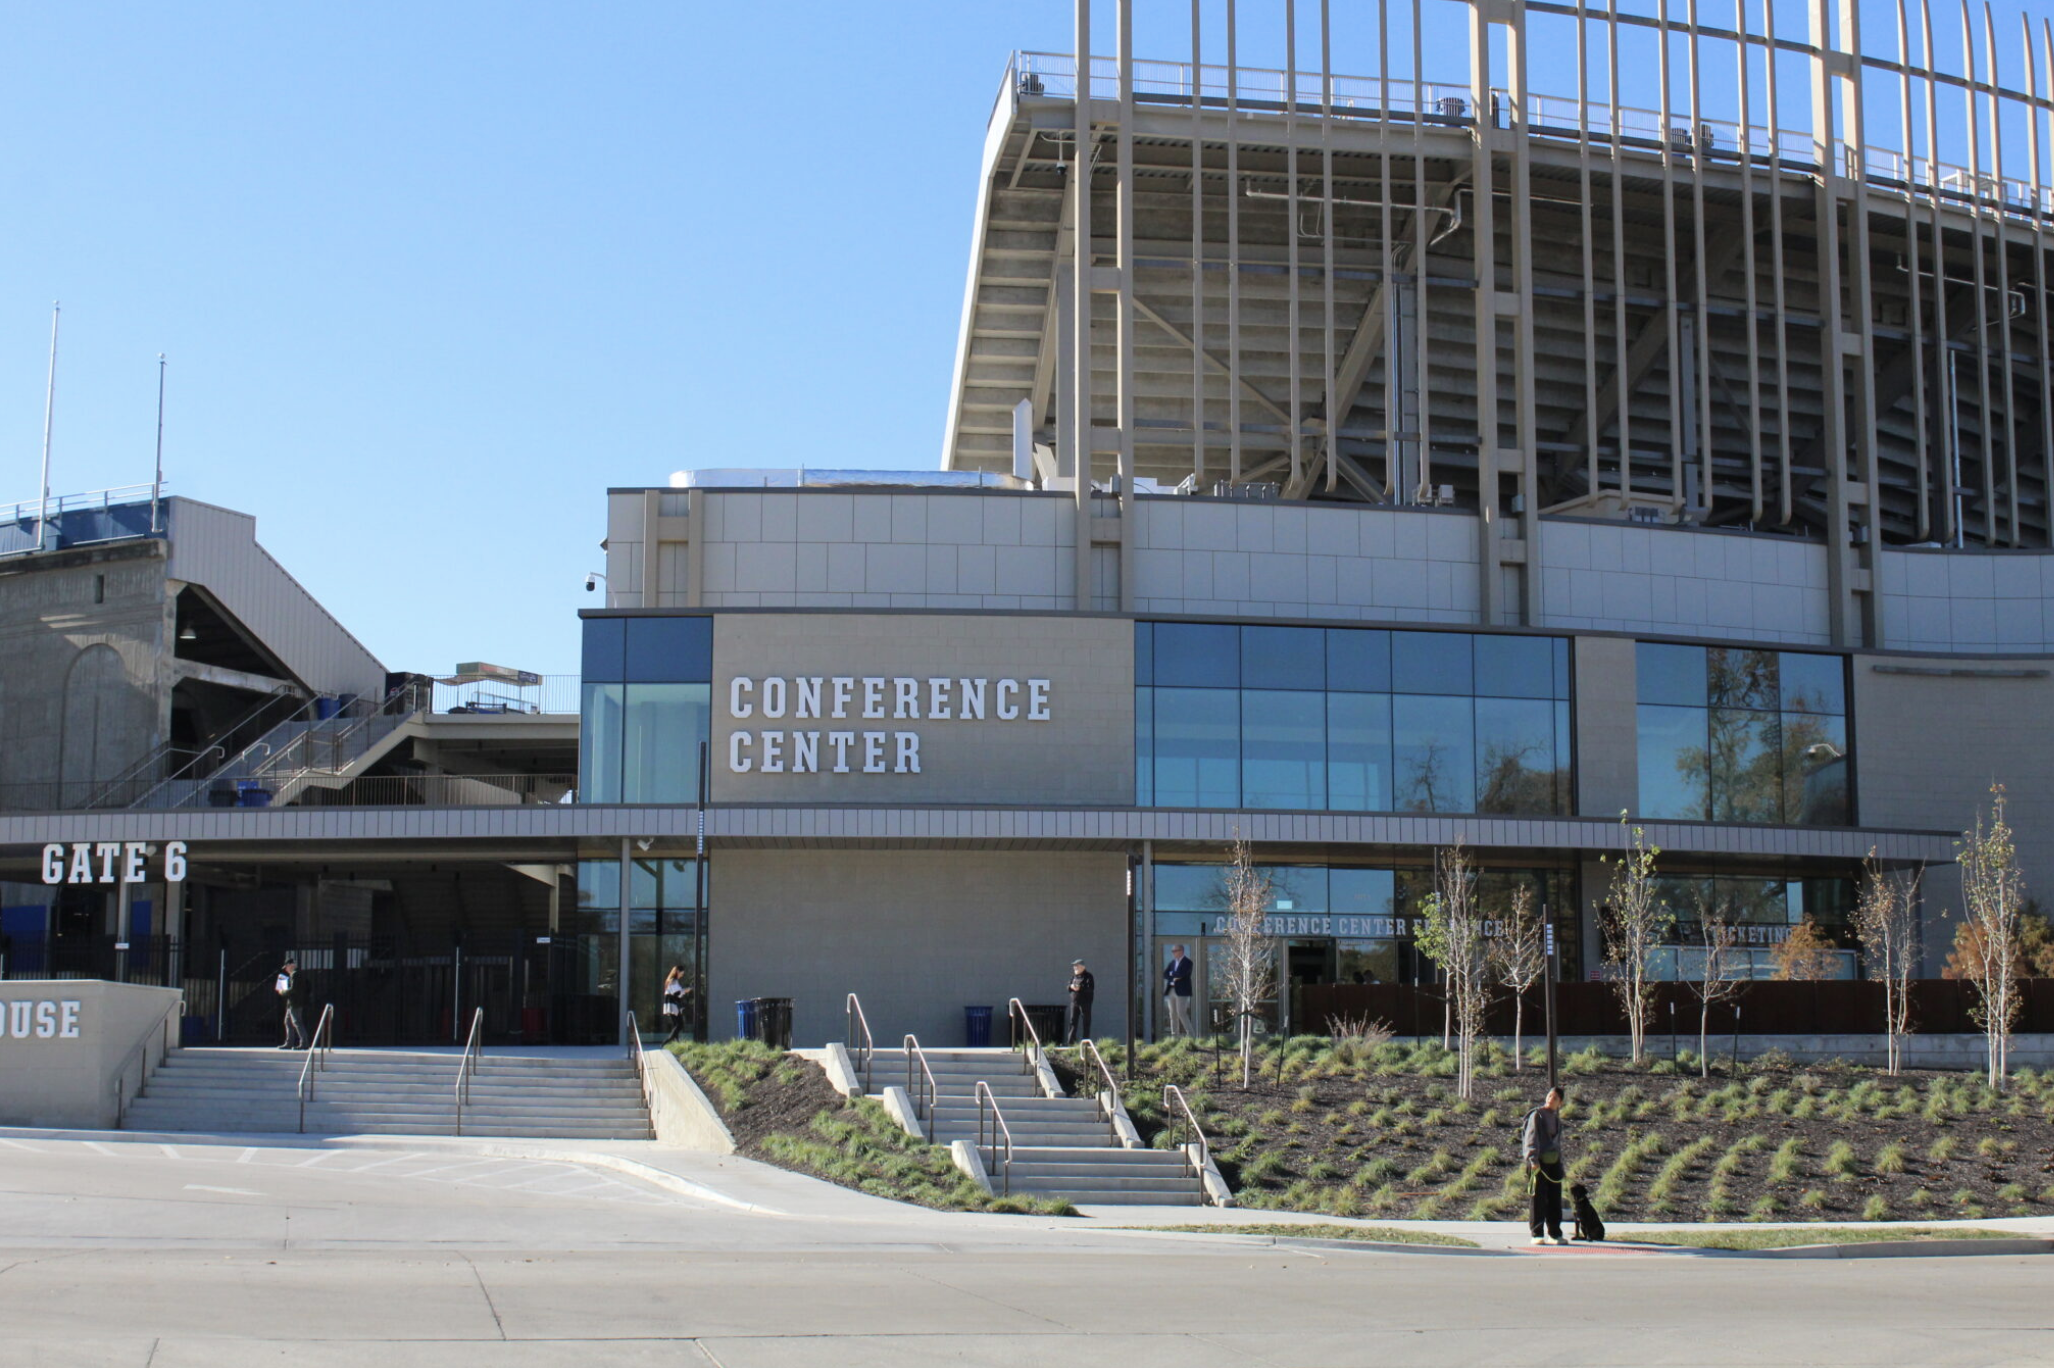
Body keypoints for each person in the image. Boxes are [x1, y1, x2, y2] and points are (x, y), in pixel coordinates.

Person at [1522, 1086, 1567, 1246]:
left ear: (1560, 1103)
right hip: (1538, 1163)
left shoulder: (1556, 1119)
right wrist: (1533, 1160)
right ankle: (1537, 1233)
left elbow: (1557, 1144)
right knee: (1538, 1198)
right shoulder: (1537, 1115)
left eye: (1555, 1098)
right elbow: (1530, 1139)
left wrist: (1560, 1165)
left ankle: (1554, 1233)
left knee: (1555, 1197)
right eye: (1549, 1096)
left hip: (1553, 1163)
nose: (1550, 1100)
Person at [1162, 945, 1195, 1038]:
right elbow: (1165, 974)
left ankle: (1191, 1036)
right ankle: (1174, 1037)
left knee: (1181, 1012)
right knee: (1172, 1013)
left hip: (1182, 991)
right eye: (1172, 951)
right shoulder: (1172, 963)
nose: (1173, 953)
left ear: (1181, 951)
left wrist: (1172, 974)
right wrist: (1174, 975)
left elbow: (1181, 974)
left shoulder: (1188, 962)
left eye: (1175, 950)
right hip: (1171, 990)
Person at [276, 959, 305, 1051]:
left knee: (297, 1022)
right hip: (292, 1003)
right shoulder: (294, 975)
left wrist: (283, 991)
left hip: (295, 1003)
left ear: (291, 965)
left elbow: (294, 989)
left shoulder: (295, 974)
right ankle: (289, 1043)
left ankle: (304, 1043)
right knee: (288, 1022)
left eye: (286, 967)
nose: (286, 969)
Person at [1065, 958, 1095, 1045]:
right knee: (1072, 1022)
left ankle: (1085, 1043)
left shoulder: (1088, 976)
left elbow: (1090, 989)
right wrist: (1071, 986)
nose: (1074, 968)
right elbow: (1068, 986)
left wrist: (1080, 988)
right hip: (1074, 1002)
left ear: (1082, 967)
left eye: (1076, 966)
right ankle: (1071, 1042)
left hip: (1085, 1003)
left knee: (1086, 1022)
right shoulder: (1073, 977)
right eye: (1074, 966)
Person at [660, 965, 692, 1045]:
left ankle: (676, 1042)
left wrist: (683, 991)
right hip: (673, 1004)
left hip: (671, 1004)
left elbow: (676, 992)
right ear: (678, 971)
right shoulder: (673, 981)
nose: (682, 975)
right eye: (682, 973)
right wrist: (685, 990)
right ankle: (666, 1042)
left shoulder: (671, 981)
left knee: (676, 1024)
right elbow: (676, 993)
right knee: (680, 1024)